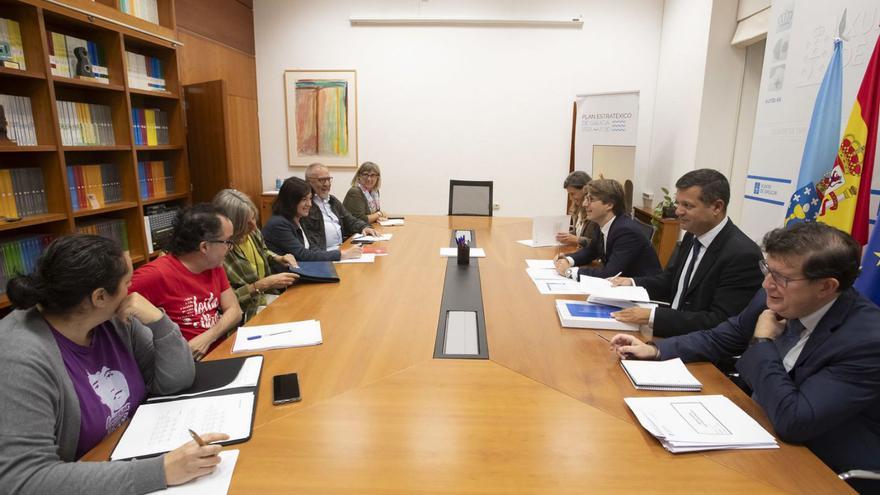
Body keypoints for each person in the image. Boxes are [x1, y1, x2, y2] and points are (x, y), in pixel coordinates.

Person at [609, 223, 880, 491]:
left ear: (826, 287)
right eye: (767, 270)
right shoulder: (776, 294)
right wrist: (656, 350)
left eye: (781, 278)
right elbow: (725, 335)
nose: (767, 284)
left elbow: (796, 421)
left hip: (822, 465)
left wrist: (762, 342)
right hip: (757, 429)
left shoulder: (867, 341)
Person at [0, 234, 228, 493]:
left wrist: (159, 322)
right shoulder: (18, 357)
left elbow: (176, 380)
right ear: (99, 297)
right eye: (128, 283)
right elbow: (23, 479)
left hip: (127, 454)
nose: (132, 292)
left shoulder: (113, 319)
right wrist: (160, 471)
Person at [610, 169, 763, 337]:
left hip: (702, 351)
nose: (678, 211)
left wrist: (653, 316)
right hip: (671, 333)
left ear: (717, 207)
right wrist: (631, 282)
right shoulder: (692, 234)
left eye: (687, 206)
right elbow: (671, 280)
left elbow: (720, 321)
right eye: (678, 203)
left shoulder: (743, 255)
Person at [130, 204, 243, 360]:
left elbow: (235, 310)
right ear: (204, 247)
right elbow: (118, 312)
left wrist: (208, 337)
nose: (230, 248)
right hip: (187, 365)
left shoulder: (213, 265)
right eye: (227, 242)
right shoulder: (153, 275)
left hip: (220, 351)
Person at [212, 189, 300, 322]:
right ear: (230, 224)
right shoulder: (219, 252)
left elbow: (264, 251)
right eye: (246, 223)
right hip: (248, 313)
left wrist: (277, 257)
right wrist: (262, 284)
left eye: (253, 218)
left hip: (268, 299)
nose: (254, 226)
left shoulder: (252, 233)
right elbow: (224, 301)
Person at [554, 178, 661, 279]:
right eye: (586, 198)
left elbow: (610, 274)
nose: (584, 204)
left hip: (641, 293)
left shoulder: (626, 231)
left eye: (590, 199)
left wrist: (570, 272)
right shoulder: (601, 223)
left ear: (609, 204)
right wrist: (568, 260)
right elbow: (591, 252)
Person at [263, 177, 364, 262]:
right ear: (290, 201)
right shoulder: (279, 224)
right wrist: (341, 255)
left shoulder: (298, 218)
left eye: (310, 198)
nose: (309, 204)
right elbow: (302, 255)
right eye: (304, 200)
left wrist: (338, 254)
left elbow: (311, 247)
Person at [301, 163, 379, 250]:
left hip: (342, 248)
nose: (327, 184)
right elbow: (311, 246)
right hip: (326, 254)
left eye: (328, 179)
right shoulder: (306, 207)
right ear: (309, 182)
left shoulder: (332, 200)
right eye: (322, 180)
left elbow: (350, 220)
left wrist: (364, 227)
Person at [555, 170, 596, 248]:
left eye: (572, 194)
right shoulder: (577, 209)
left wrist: (578, 240)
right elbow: (578, 232)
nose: (570, 198)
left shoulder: (595, 213)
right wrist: (565, 235)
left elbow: (598, 245)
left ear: (585, 190)